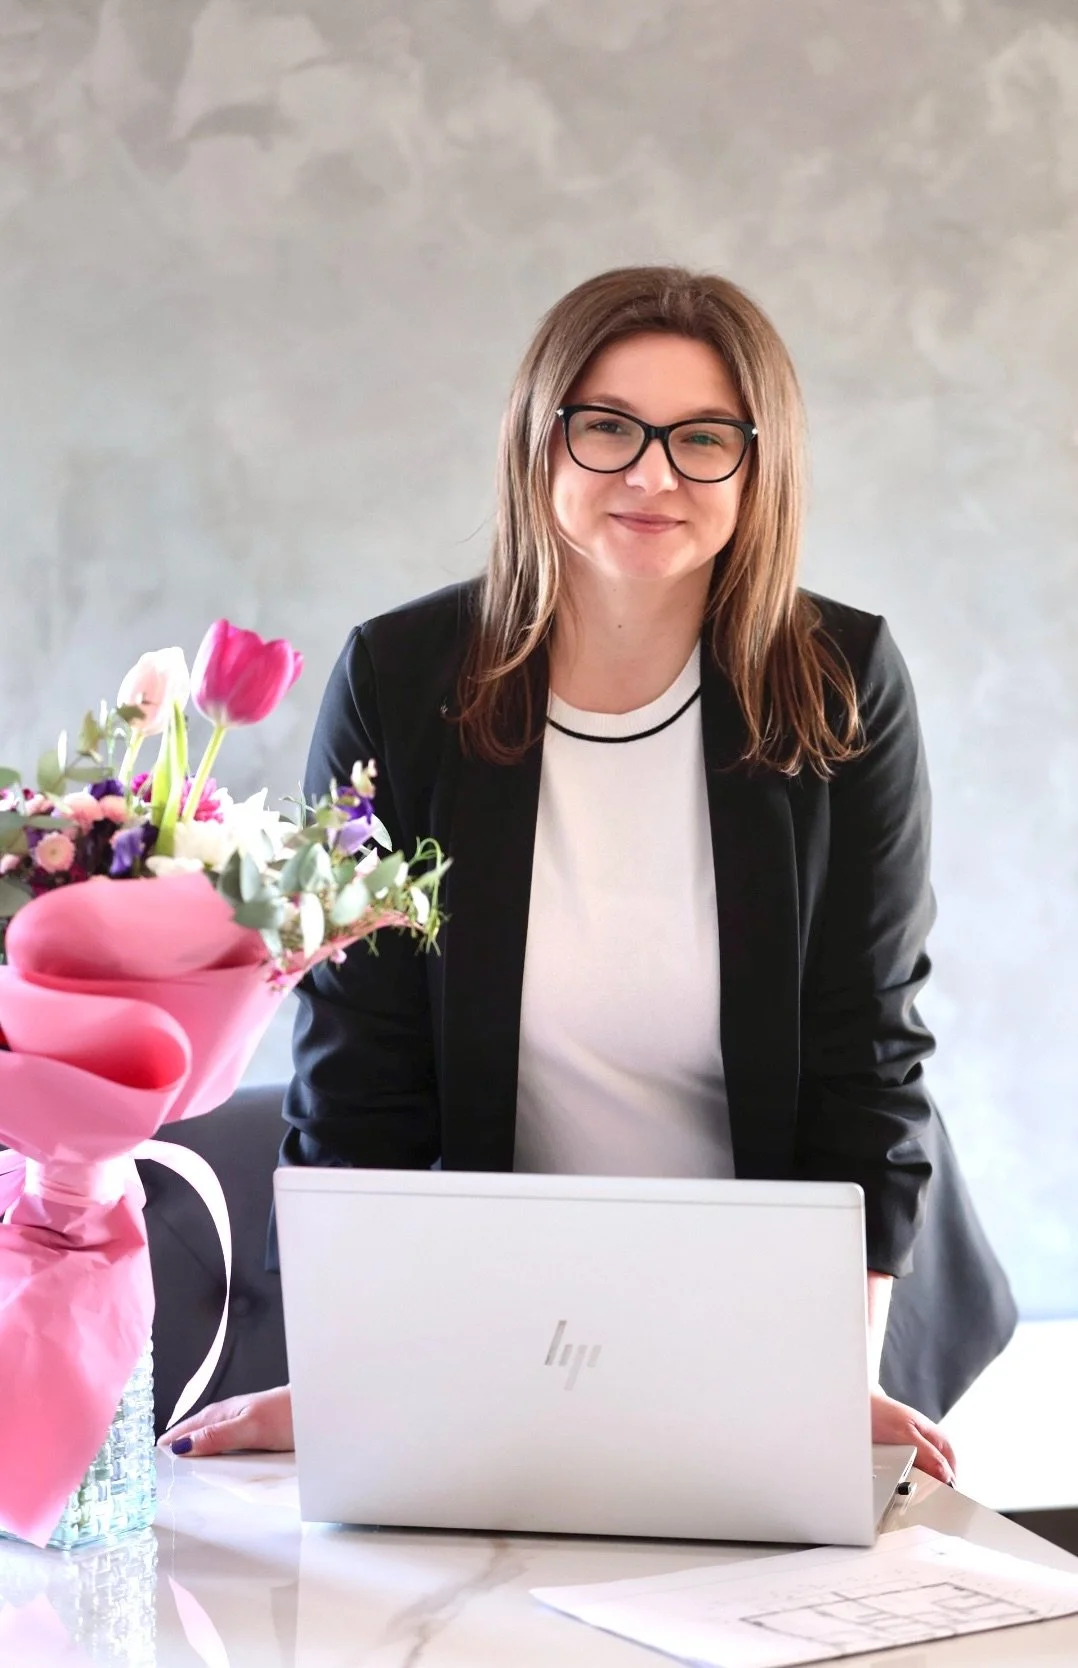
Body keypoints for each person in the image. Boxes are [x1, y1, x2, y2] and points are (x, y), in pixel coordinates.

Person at [163, 266, 1015, 1478]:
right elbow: (360, 1057)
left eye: (703, 437)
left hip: (804, 1297)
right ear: (538, 438)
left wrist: (834, 1375)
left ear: (759, 466)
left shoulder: (842, 678)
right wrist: (349, 1373)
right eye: (608, 427)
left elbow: (864, 1050)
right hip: (516, 1303)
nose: (652, 474)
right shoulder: (402, 682)